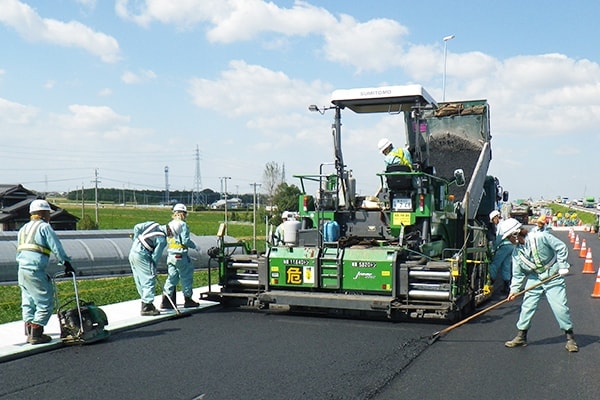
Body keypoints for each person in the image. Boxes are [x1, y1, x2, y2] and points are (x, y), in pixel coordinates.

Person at [504, 225, 578, 352]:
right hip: (535, 278)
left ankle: (570, 338)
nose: (508, 241)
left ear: (515, 234)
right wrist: (514, 291)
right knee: (527, 306)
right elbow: (518, 274)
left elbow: (561, 247)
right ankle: (521, 336)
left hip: (552, 275)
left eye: (508, 237)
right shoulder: (517, 253)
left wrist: (562, 265)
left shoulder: (541, 237)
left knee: (560, 307)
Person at [16, 199, 74, 344]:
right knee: (45, 300)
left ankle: (29, 330)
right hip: (35, 269)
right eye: (48, 213)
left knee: (28, 300)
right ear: (43, 213)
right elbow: (56, 246)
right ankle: (37, 333)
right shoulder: (44, 227)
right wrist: (66, 263)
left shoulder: (23, 228)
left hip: (22, 270)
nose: (49, 216)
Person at [129, 221, 171, 316]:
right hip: (143, 255)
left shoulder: (153, 224)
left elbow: (137, 227)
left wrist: (136, 238)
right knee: (149, 279)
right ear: (170, 231)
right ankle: (146, 306)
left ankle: (146, 301)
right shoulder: (162, 239)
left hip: (133, 250)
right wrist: (153, 267)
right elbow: (156, 256)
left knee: (139, 278)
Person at [161, 204, 199, 309]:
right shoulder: (183, 225)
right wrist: (195, 246)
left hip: (171, 255)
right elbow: (185, 240)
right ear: (184, 214)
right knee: (186, 277)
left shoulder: (169, 224)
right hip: (181, 255)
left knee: (171, 278)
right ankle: (188, 299)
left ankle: (166, 301)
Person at [489, 217, 518, 295]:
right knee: (506, 265)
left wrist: (493, 248)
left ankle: (491, 281)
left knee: (495, 263)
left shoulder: (500, 226)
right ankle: (506, 286)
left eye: (493, 220)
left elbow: (499, 238)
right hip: (511, 246)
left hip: (504, 246)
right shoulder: (505, 223)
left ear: (496, 217)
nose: (493, 222)